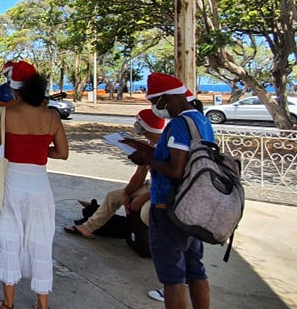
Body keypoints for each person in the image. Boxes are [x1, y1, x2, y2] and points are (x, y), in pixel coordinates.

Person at [123, 73, 214, 309]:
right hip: (194, 207)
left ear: (166, 99)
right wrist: (145, 150)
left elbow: (175, 169)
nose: (154, 108)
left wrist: (147, 160)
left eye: (155, 102)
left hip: (169, 208)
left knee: (173, 279)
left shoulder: (178, 124)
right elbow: (178, 158)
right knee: (196, 271)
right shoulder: (201, 120)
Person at [0, 61, 69, 309]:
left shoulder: (4, 114)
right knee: (41, 242)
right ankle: (42, 304)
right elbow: (62, 153)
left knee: (9, 239)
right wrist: (40, 151)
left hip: (11, 183)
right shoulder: (52, 116)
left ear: (15, 90)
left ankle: (8, 303)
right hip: (40, 185)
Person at [65, 109, 164, 238]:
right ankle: (87, 227)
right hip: (151, 186)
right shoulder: (147, 146)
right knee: (113, 196)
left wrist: (143, 198)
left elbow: (167, 183)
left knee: (146, 212)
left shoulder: (164, 148)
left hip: (161, 191)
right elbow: (139, 175)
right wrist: (126, 193)